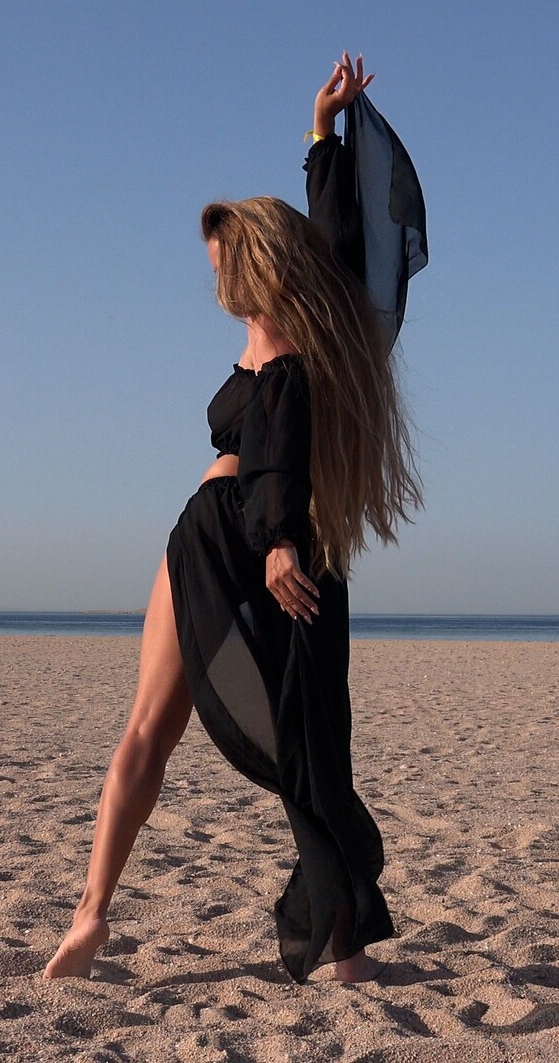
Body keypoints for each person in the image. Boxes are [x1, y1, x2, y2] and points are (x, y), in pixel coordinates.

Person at [42, 53, 427, 987]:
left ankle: (319, 946)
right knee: (214, 733)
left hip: (257, 538)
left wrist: (281, 540)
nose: (215, 279)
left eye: (223, 261)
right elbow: (331, 235)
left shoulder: (295, 348)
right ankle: (96, 916)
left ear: (259, 262)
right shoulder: (297, 333)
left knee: (275, 737)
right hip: (226, 538)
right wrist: (319, 132)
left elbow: (276, 457)